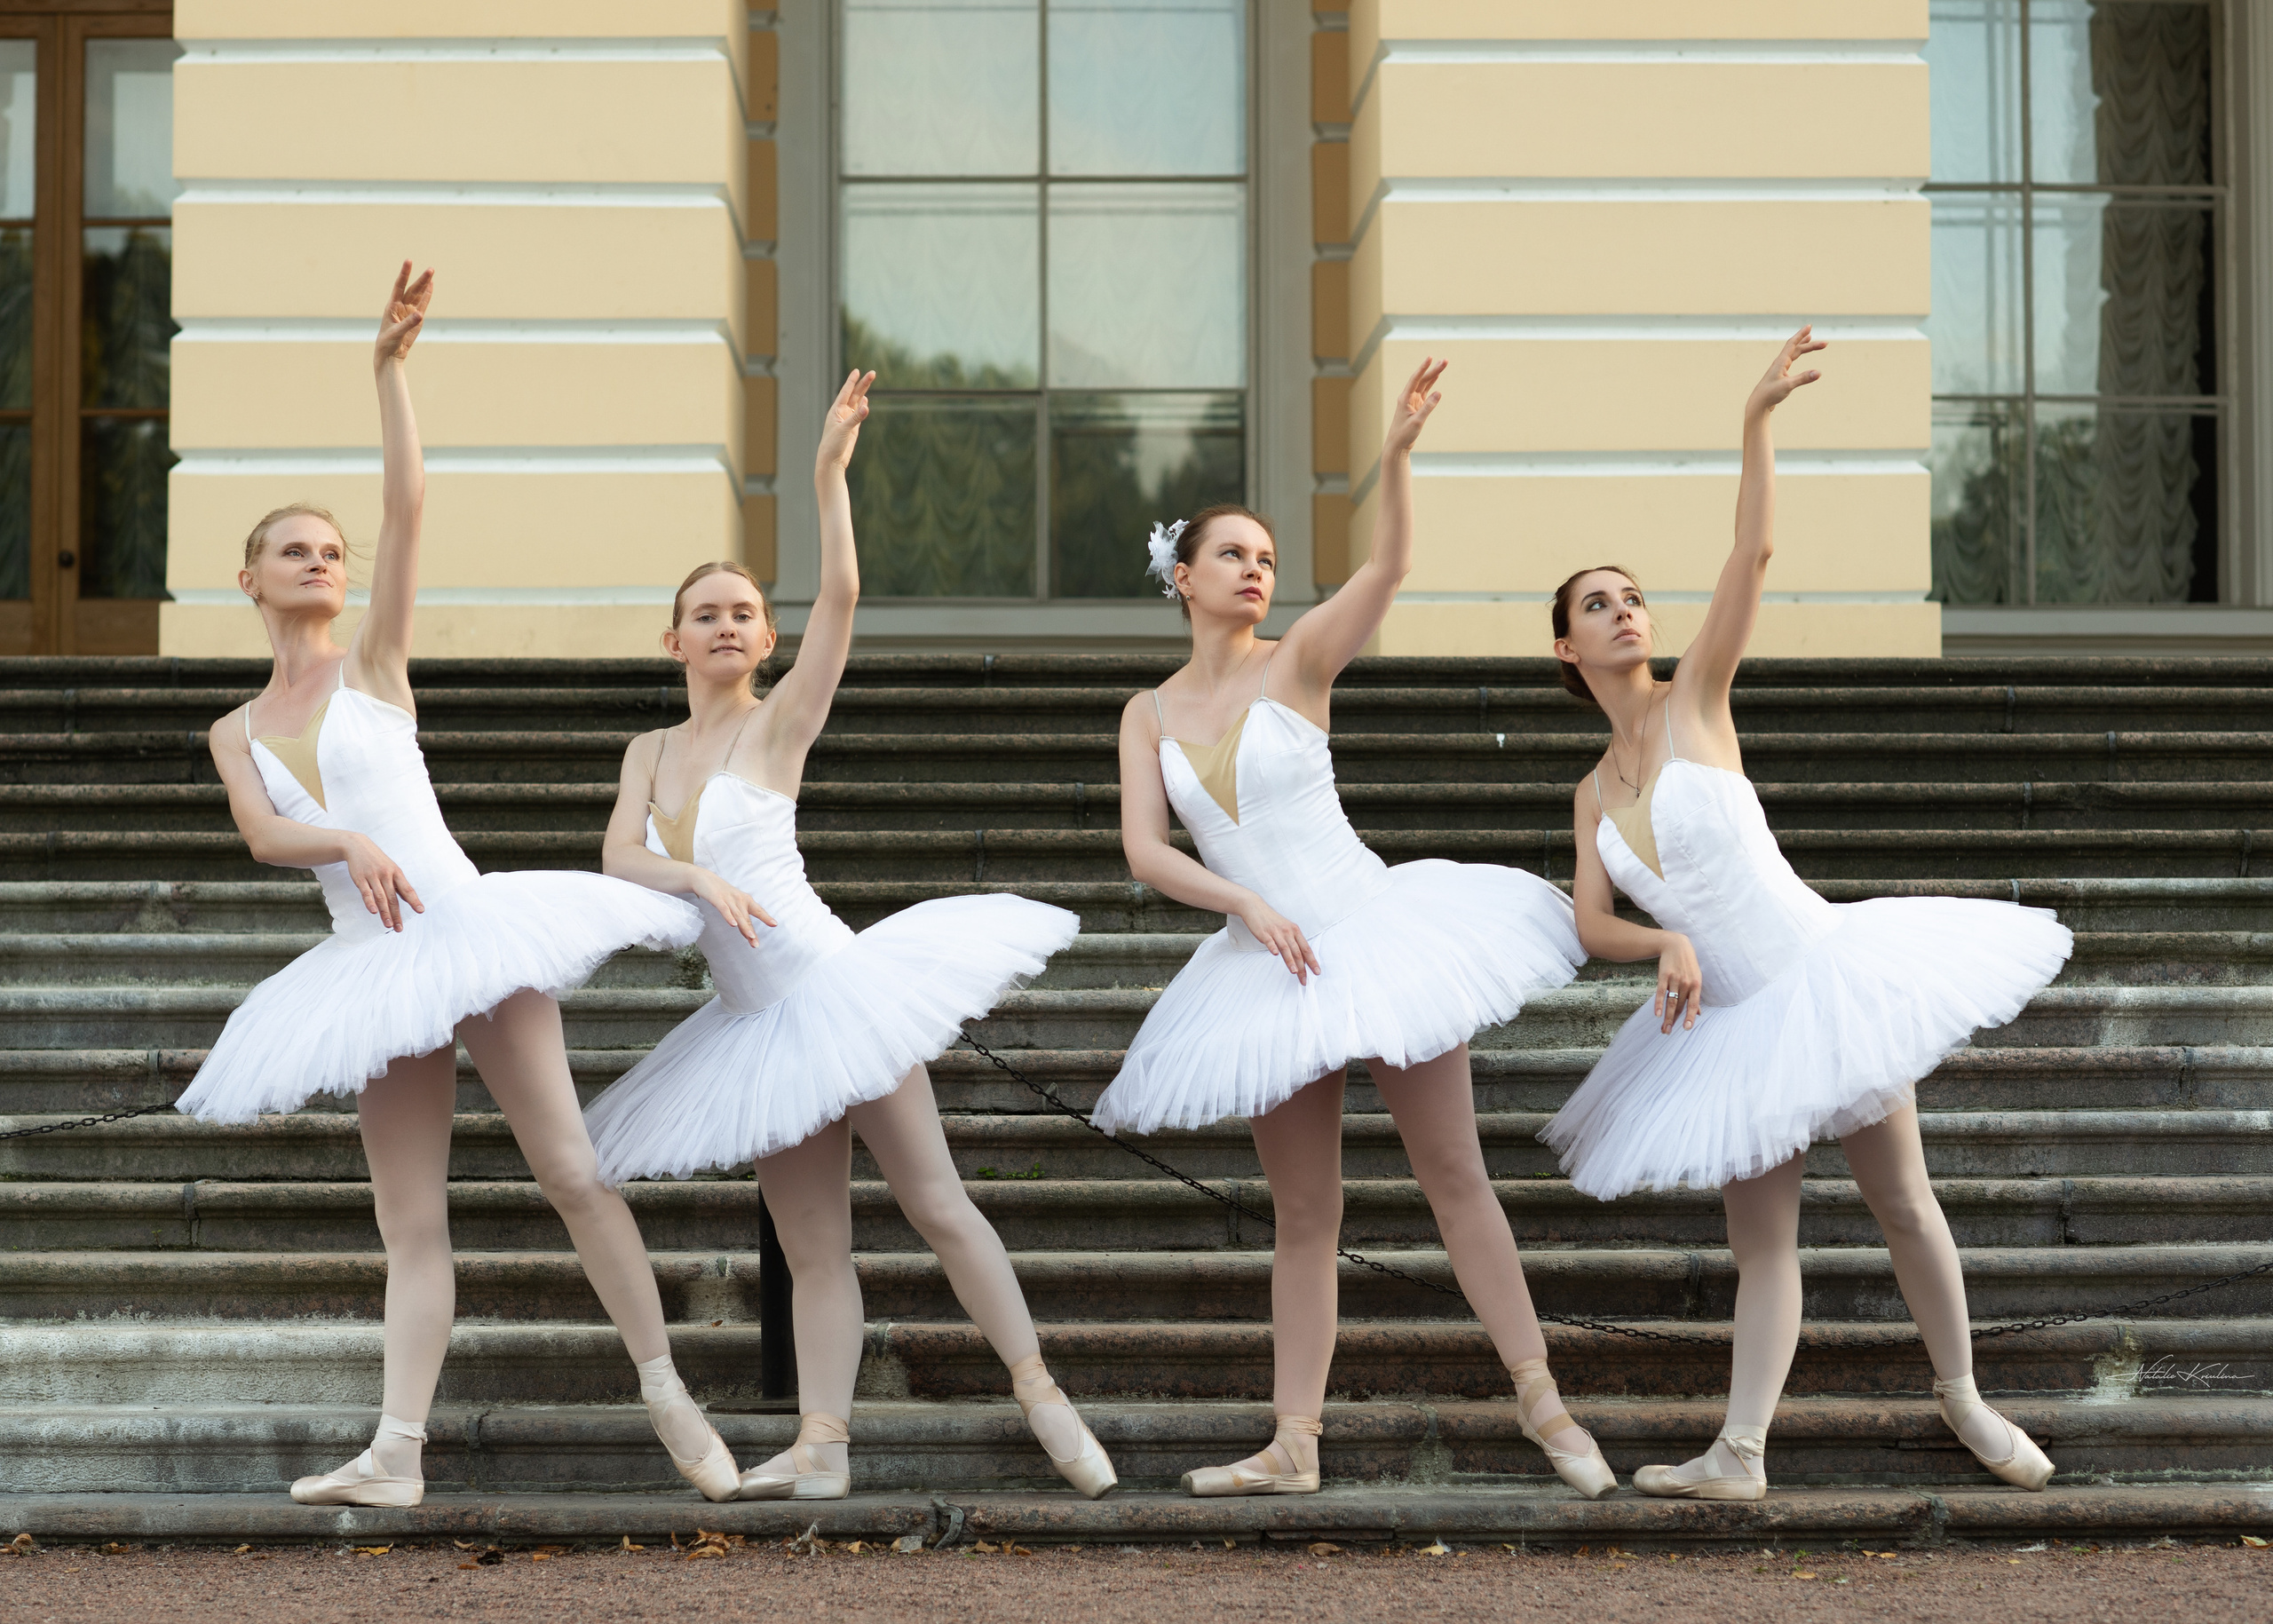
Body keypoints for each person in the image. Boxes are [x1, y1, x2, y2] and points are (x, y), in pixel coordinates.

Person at [178, 265, 735, 1508]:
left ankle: (666, 1389)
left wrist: (387, 371)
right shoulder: (235, 727)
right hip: (370, 968)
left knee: (570, 1168)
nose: (319, 561)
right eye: (293, 550)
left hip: (468, 929)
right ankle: (397, 1449)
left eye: (331, 551)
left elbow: (409, 499)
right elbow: (265, 836)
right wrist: (344, 843)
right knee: (409, 1220)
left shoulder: (376, 663)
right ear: (249, 578)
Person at [1540, 328, 2074, 1500]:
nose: (1626, 613)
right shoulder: (1589, 793)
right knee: (1760, 1245)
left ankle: (1966, 1399)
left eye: (1633, 597)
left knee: (1902, 1200)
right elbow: (1591, 926)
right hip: (1733, 1026)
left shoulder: (1697, 697)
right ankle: (1739, 1453)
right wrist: (1663, 939)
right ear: (1566, 646)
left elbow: (1754, 550)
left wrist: (1755, 421)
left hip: (1825, 978)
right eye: (1599, 604)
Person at [582, 370, 1113, 1501]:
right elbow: (619, 855)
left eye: (743, 612)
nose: (727, 624)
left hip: (832, 987)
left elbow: (844, 595)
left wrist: (829, 471)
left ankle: (1040, 1390)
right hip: (751, 1025)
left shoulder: (781, 722)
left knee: (934, 1200)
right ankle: (823, 1442)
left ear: (765, 637)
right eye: (706, 612)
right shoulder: (645, 752)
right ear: (672, 637)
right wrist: (691, 875)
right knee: (812, 1243)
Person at [1091, 359, 1607, 1500]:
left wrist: (1395, 455)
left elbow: (1389, 567)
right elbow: (1144, 849)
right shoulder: (1147, 711)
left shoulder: (1301, 660)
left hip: (1373, 932)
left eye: (1268, 559)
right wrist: (1241, 903)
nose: (1256, 570)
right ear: (1183, 576)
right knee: (1304, 1211)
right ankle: (1294, 1441)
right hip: (1262, 962)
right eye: (1234, 554)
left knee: (1452, 1170)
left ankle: (1545, 1403)